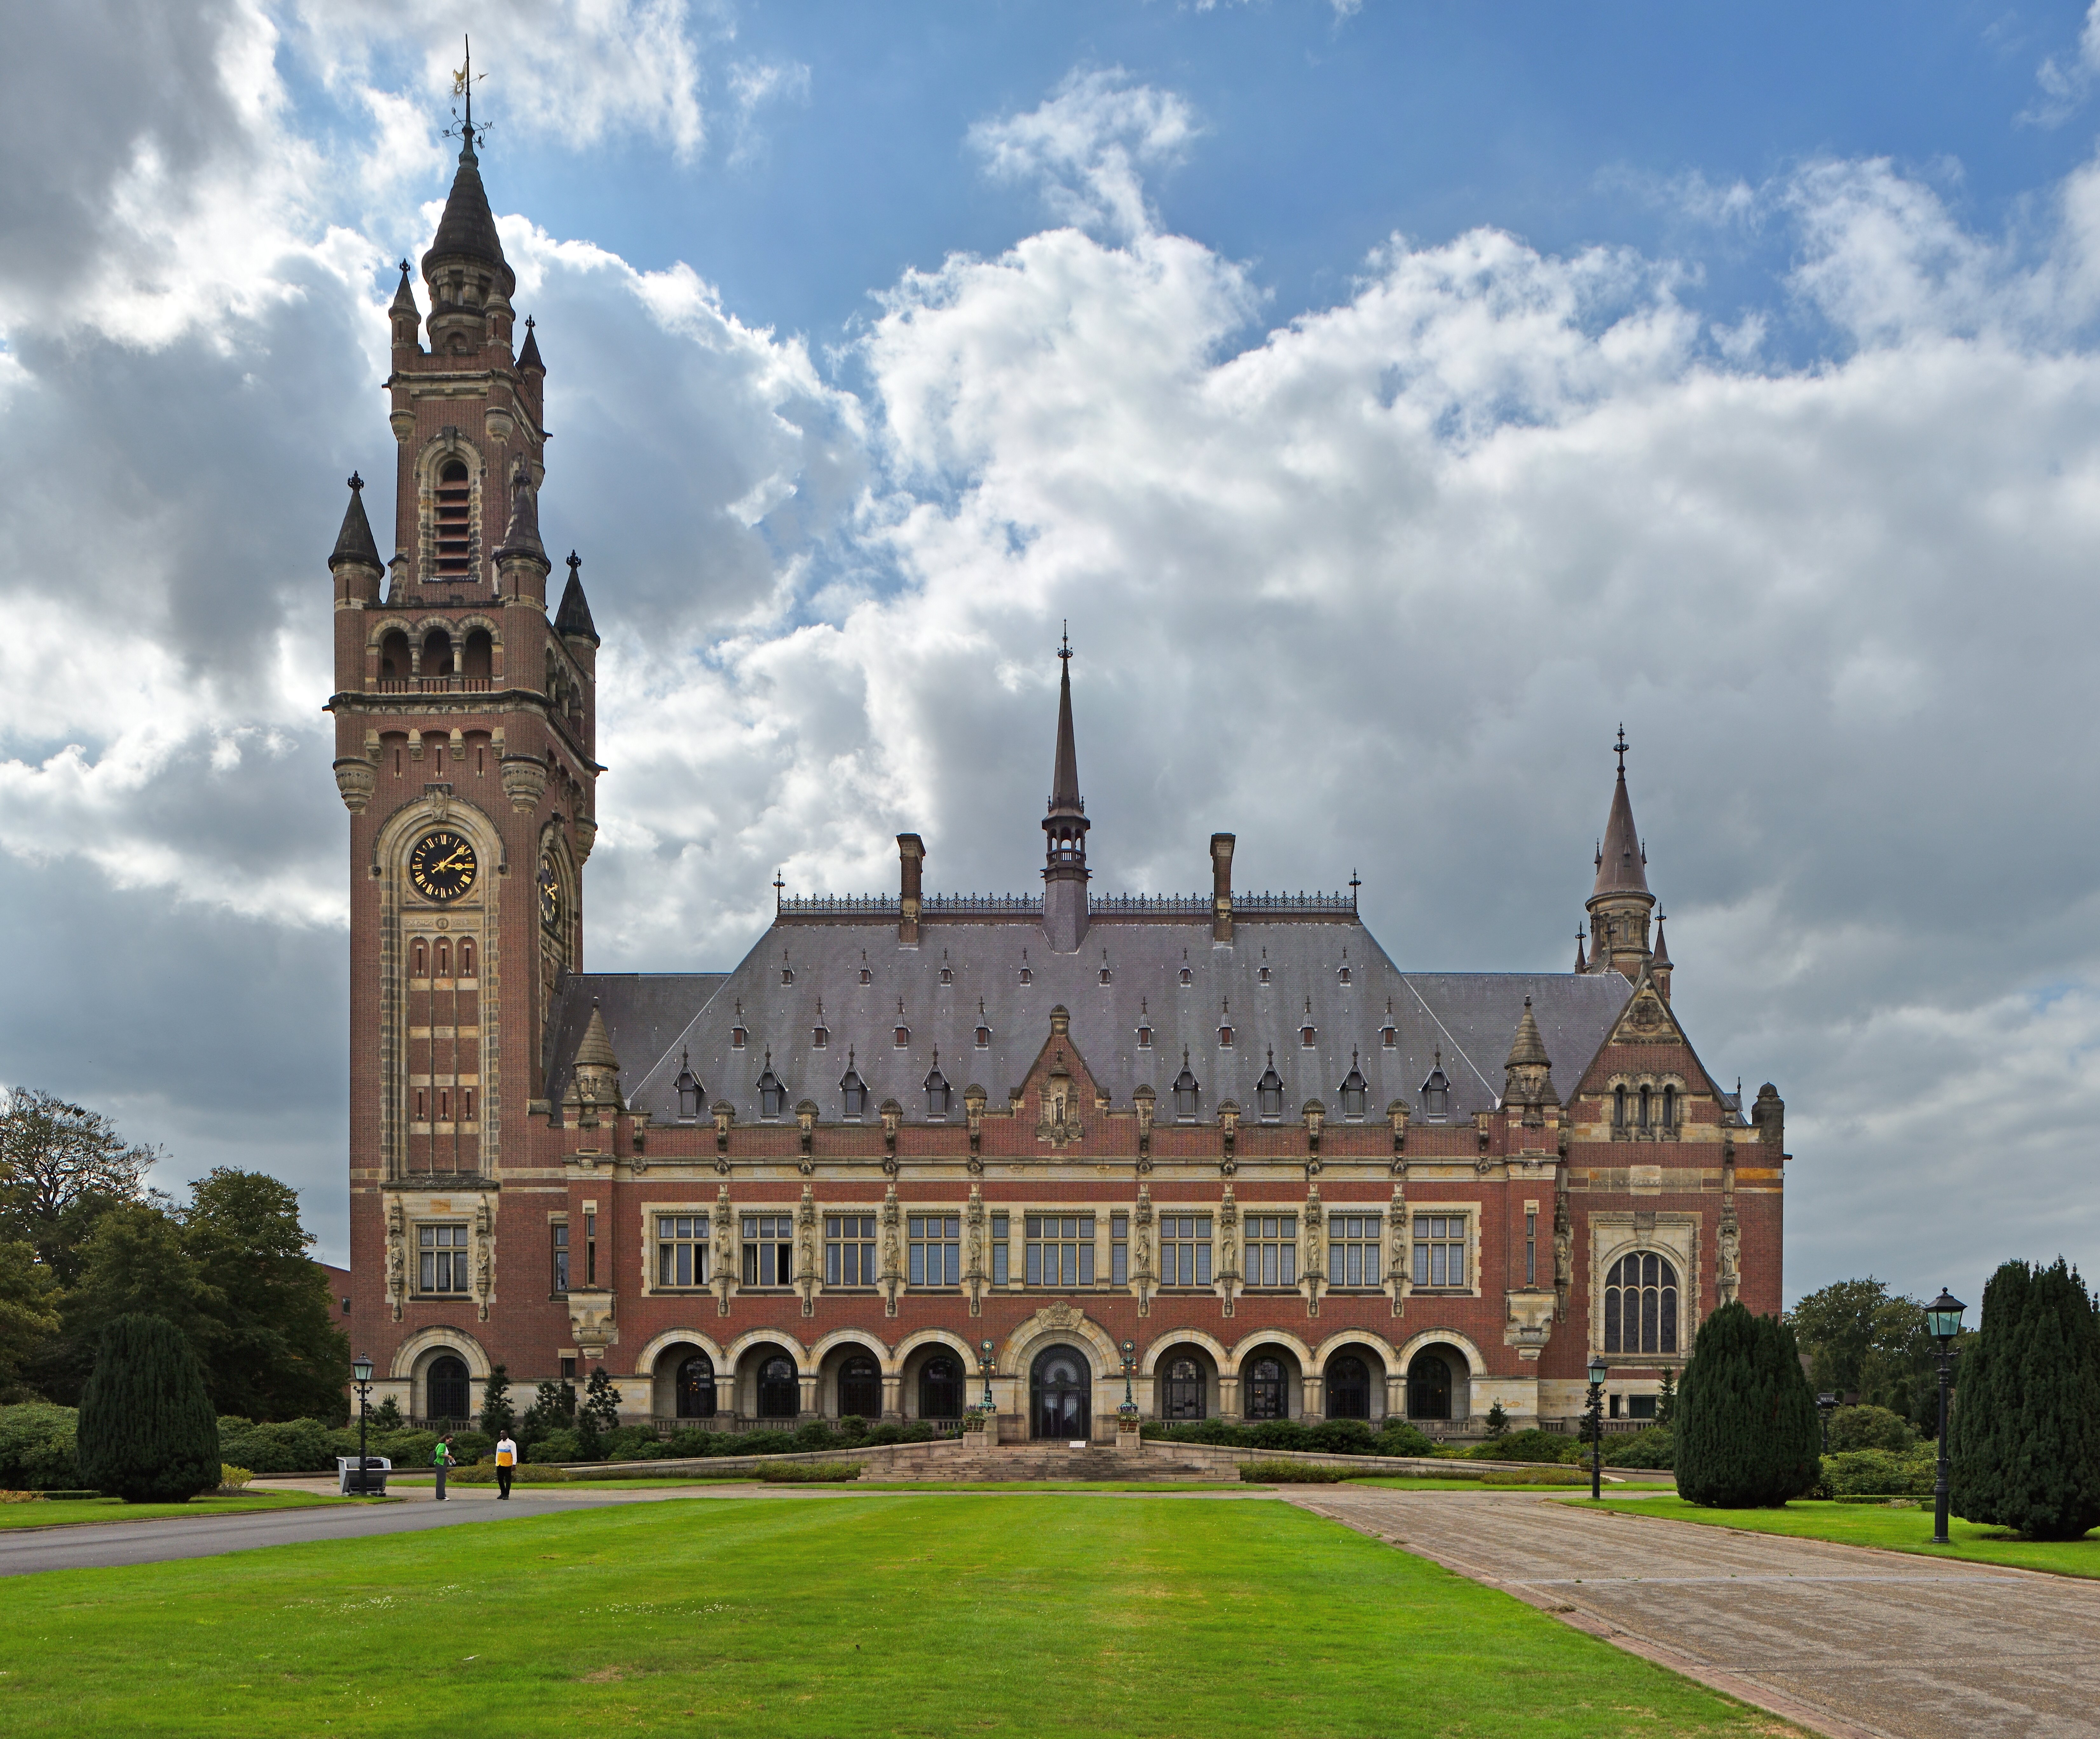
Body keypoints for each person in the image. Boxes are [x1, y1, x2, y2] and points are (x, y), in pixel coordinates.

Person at [494, 1429, 518, 1500]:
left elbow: (514, 1454)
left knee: (508, 1480)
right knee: (500, 1479)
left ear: (507, 1435)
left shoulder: (512, 1443)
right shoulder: (499, 1444)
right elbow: (497, 1454)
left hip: (508, 1464)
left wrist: (514, 1464)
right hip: (500, 1464)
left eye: (503, 1434)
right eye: (501, 1434)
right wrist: (496, 1463)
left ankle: (507, 1494)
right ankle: (503, 1492)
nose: (502, 1435)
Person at [433, 1434, 455, 1500]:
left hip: (442, 1464)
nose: (450, 1442)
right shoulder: (442, 1445)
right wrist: (448, 1456)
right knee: (442, 1480)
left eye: (451, 1441)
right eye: (450, 1440)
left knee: (441, 1480)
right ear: (446, 1439)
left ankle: (440, 1495)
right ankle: (442, 1495)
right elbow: (439, 1454)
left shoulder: (443, 1445)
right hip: (440, 1464)